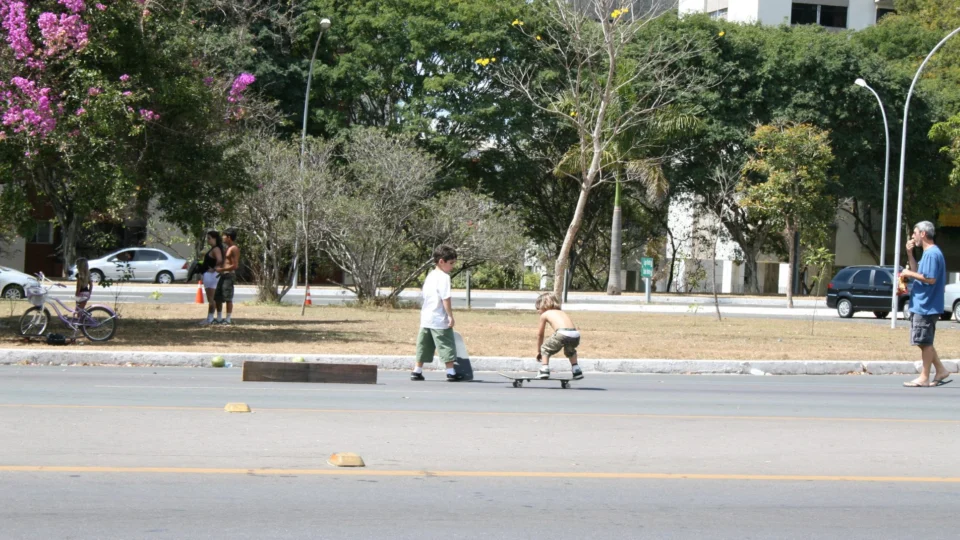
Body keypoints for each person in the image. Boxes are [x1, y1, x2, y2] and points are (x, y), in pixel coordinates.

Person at [901, 221, 951, 388]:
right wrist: (910, 254)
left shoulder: (931, 254)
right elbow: (919, 272)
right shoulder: (928, 253)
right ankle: (941, 370)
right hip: (922, 304)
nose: (912, 236)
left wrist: (908, 273)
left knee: (925, 342)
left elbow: (930, 279)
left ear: (923, 234)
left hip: (926, 305)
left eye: (915, 233)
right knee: (923, 341)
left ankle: (924, 377)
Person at [411, 245, 463, 382]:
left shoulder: (430, 275)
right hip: (439, 318)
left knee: (423, 345)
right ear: (441, 261)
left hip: (426, 318)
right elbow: (445, 298)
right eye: (451, 263)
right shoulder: (444, 277)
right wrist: (450, 316)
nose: (452, 266)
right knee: (446, 344)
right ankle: (451, 372)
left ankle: (417, 371)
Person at [535, 292, 583, 380]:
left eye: (538, 308)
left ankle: (544, 369)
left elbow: (540, 334)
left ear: (543, 306)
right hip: (575, 334)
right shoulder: (561, 312)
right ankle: (576, 370)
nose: (538, 311)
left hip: (562, 333)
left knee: (545, 348)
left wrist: (539, 351)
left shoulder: (545, 314)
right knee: (570, 350)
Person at [214, 228, 240, 325]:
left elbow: (235, 265)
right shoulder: (227, 248)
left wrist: (222, 269)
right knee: (218, 297)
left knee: (228, 297)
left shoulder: (234, 249)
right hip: (223, 275)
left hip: (229, 275)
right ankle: (219, 318)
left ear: (229, 237)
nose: (223, 237)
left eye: (224, 236)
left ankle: (228, 319)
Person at [199, 231, 224, 326]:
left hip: (211, 276)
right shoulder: (214, 249)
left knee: (211, 299)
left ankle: (210, 319)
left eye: (209, 238)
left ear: (215, 239)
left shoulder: (216, 249)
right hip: (210, 275)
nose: (208, 240)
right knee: (213, 298)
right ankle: (216, 317)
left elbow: (220, 260)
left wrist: (214, 269)